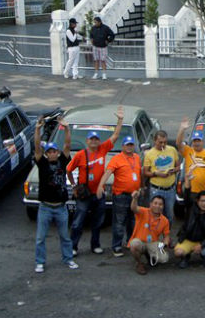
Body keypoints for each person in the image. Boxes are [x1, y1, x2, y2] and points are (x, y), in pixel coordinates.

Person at [68, 105, 124, 256]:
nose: (94, 141)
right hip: (84, 195)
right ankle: (73, 247)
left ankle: (95, 245)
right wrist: (74, 186)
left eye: (96, 139)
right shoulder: (80, 155)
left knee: (98, 222)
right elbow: (68, 170)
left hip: (99, 194)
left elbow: (115, 136)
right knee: (78, 222)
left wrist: (120, 120)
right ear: (87, 141)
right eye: (91, 139)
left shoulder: (102, 149)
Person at [33, 116, 78, 273]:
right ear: (46, 154)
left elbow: (68, 144)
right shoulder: (42, 162)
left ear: (57, 153)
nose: (52, 154)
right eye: (49, 152)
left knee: (65, 236)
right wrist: (38, 129)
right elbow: (37, 146)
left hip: (61, 207)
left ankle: (68, 259)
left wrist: (66, 129)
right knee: (40, 238)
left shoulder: (63, 161)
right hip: (45, 207)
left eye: (54, 151)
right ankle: (40, 262)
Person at [97, 136, 142, 257]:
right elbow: (108, 173)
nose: (129, 147)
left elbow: (139, 173)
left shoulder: (137, 158)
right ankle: (116, 246)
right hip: (121, 195)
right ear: (122, 146)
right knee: (119, 222)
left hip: (134, 196)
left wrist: (141, 187)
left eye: (131, 145)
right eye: (127, 145)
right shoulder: (116, 159)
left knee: (133, 221)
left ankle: (130, 242)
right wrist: (101, 185)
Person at [128, 191, 171, 275]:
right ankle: (139, 264)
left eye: (160, 204)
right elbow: (133, 208)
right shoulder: (143, 211)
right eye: (155, 203)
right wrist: (135, 198)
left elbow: (166, 236)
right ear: (150, 204)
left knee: (164, 258)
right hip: (140, 242)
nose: (157, 206)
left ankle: (149, 255)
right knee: (134, 245)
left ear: (163, 206)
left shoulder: (165, 220)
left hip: (153, 243)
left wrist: (165, 244)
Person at [143, 130, 180, 224]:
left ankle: (166, 236)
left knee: (170, 216)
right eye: (160, 142)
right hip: (156, 189)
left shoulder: (172, 150)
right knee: (154, 215)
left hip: (170, 189)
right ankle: (155, 236)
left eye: (165, 142)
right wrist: (156, 173)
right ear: (155, 141)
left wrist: (173, 171)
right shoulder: (149, 154)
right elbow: (145, 172)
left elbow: (178, 166)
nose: (163, 144)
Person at [174, 190, 205, 268]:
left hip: (204, 241)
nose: (204, 203)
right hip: (189, 239)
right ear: (197, 201)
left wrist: (201, 245)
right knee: (178, 252)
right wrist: (187, 184)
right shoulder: (190, 209)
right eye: (202, 201)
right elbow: (187, 197)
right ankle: (185, 258)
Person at [176, 116, 205, 202]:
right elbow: (178, 143)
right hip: (190, 191)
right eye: (194, 141)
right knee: (190, 213)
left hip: (204, 192)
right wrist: (182, 129)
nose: (196, 143)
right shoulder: (188, 151)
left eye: (198, 140)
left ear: (203, 142)